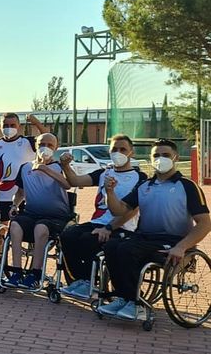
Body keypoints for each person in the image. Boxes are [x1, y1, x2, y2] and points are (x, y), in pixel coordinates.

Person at [102, 139, 210, 320]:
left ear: (175, 157)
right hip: (145, 237)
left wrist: (182, 247)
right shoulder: (144, 186)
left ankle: (135, 305)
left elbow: (205, 223)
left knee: (127, 250)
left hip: (173, 240)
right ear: (150, 159)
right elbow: (119, 210)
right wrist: (110, 193)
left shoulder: (187, 186)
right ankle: (123, 297)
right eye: (156, 155)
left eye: (165, 155)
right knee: (112, 246)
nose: (161, 159)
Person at [57, 134, 145, 299]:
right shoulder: (104, 173)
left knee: (88, 240)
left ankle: (92, 282)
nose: (118, 153)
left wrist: (109, 227)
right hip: (97, 222)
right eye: (114, 150)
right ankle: (81, 280)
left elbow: (132, 210)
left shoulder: (139, 178)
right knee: (67, 235)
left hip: (122, 226)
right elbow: (75, 181)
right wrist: (65, 166)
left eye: (122, 149)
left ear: (131, 153)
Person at [3, 133, 72, 289]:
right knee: (14, 226)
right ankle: (17, 272)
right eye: (41, 144)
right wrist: (14, 205)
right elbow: (21, 192)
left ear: (56, 148)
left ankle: (35, 273)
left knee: (40, 228)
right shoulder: (25, 167)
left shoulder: (59, 167)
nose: (45, 148)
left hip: (55, 216)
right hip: (32, 213)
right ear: (36, 146)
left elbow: (67, 185)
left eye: (50, 145)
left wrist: (45, 169)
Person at [0, 112, 47, 221]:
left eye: (12, 125)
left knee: (23, 226)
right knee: (2, 225)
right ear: (0, 127)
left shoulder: (29, 142)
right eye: (6, 126)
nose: (9, 128)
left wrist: (36, 122)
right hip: (4, 194)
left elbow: (48, 138)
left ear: (19, 126)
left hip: (26, 195)